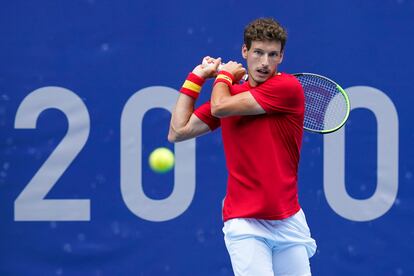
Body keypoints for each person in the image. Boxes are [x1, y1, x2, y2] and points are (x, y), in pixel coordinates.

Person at [168, 18, 317, 276]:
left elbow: (219, 107)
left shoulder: (287, 87)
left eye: (272, 55)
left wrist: (224, 75)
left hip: (289, 220)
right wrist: (197, 76)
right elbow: (178, 131)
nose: (264, 63)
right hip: (244, 223)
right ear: (244, 52)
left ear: (281, 57)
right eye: (258, 52)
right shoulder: (230, 94)